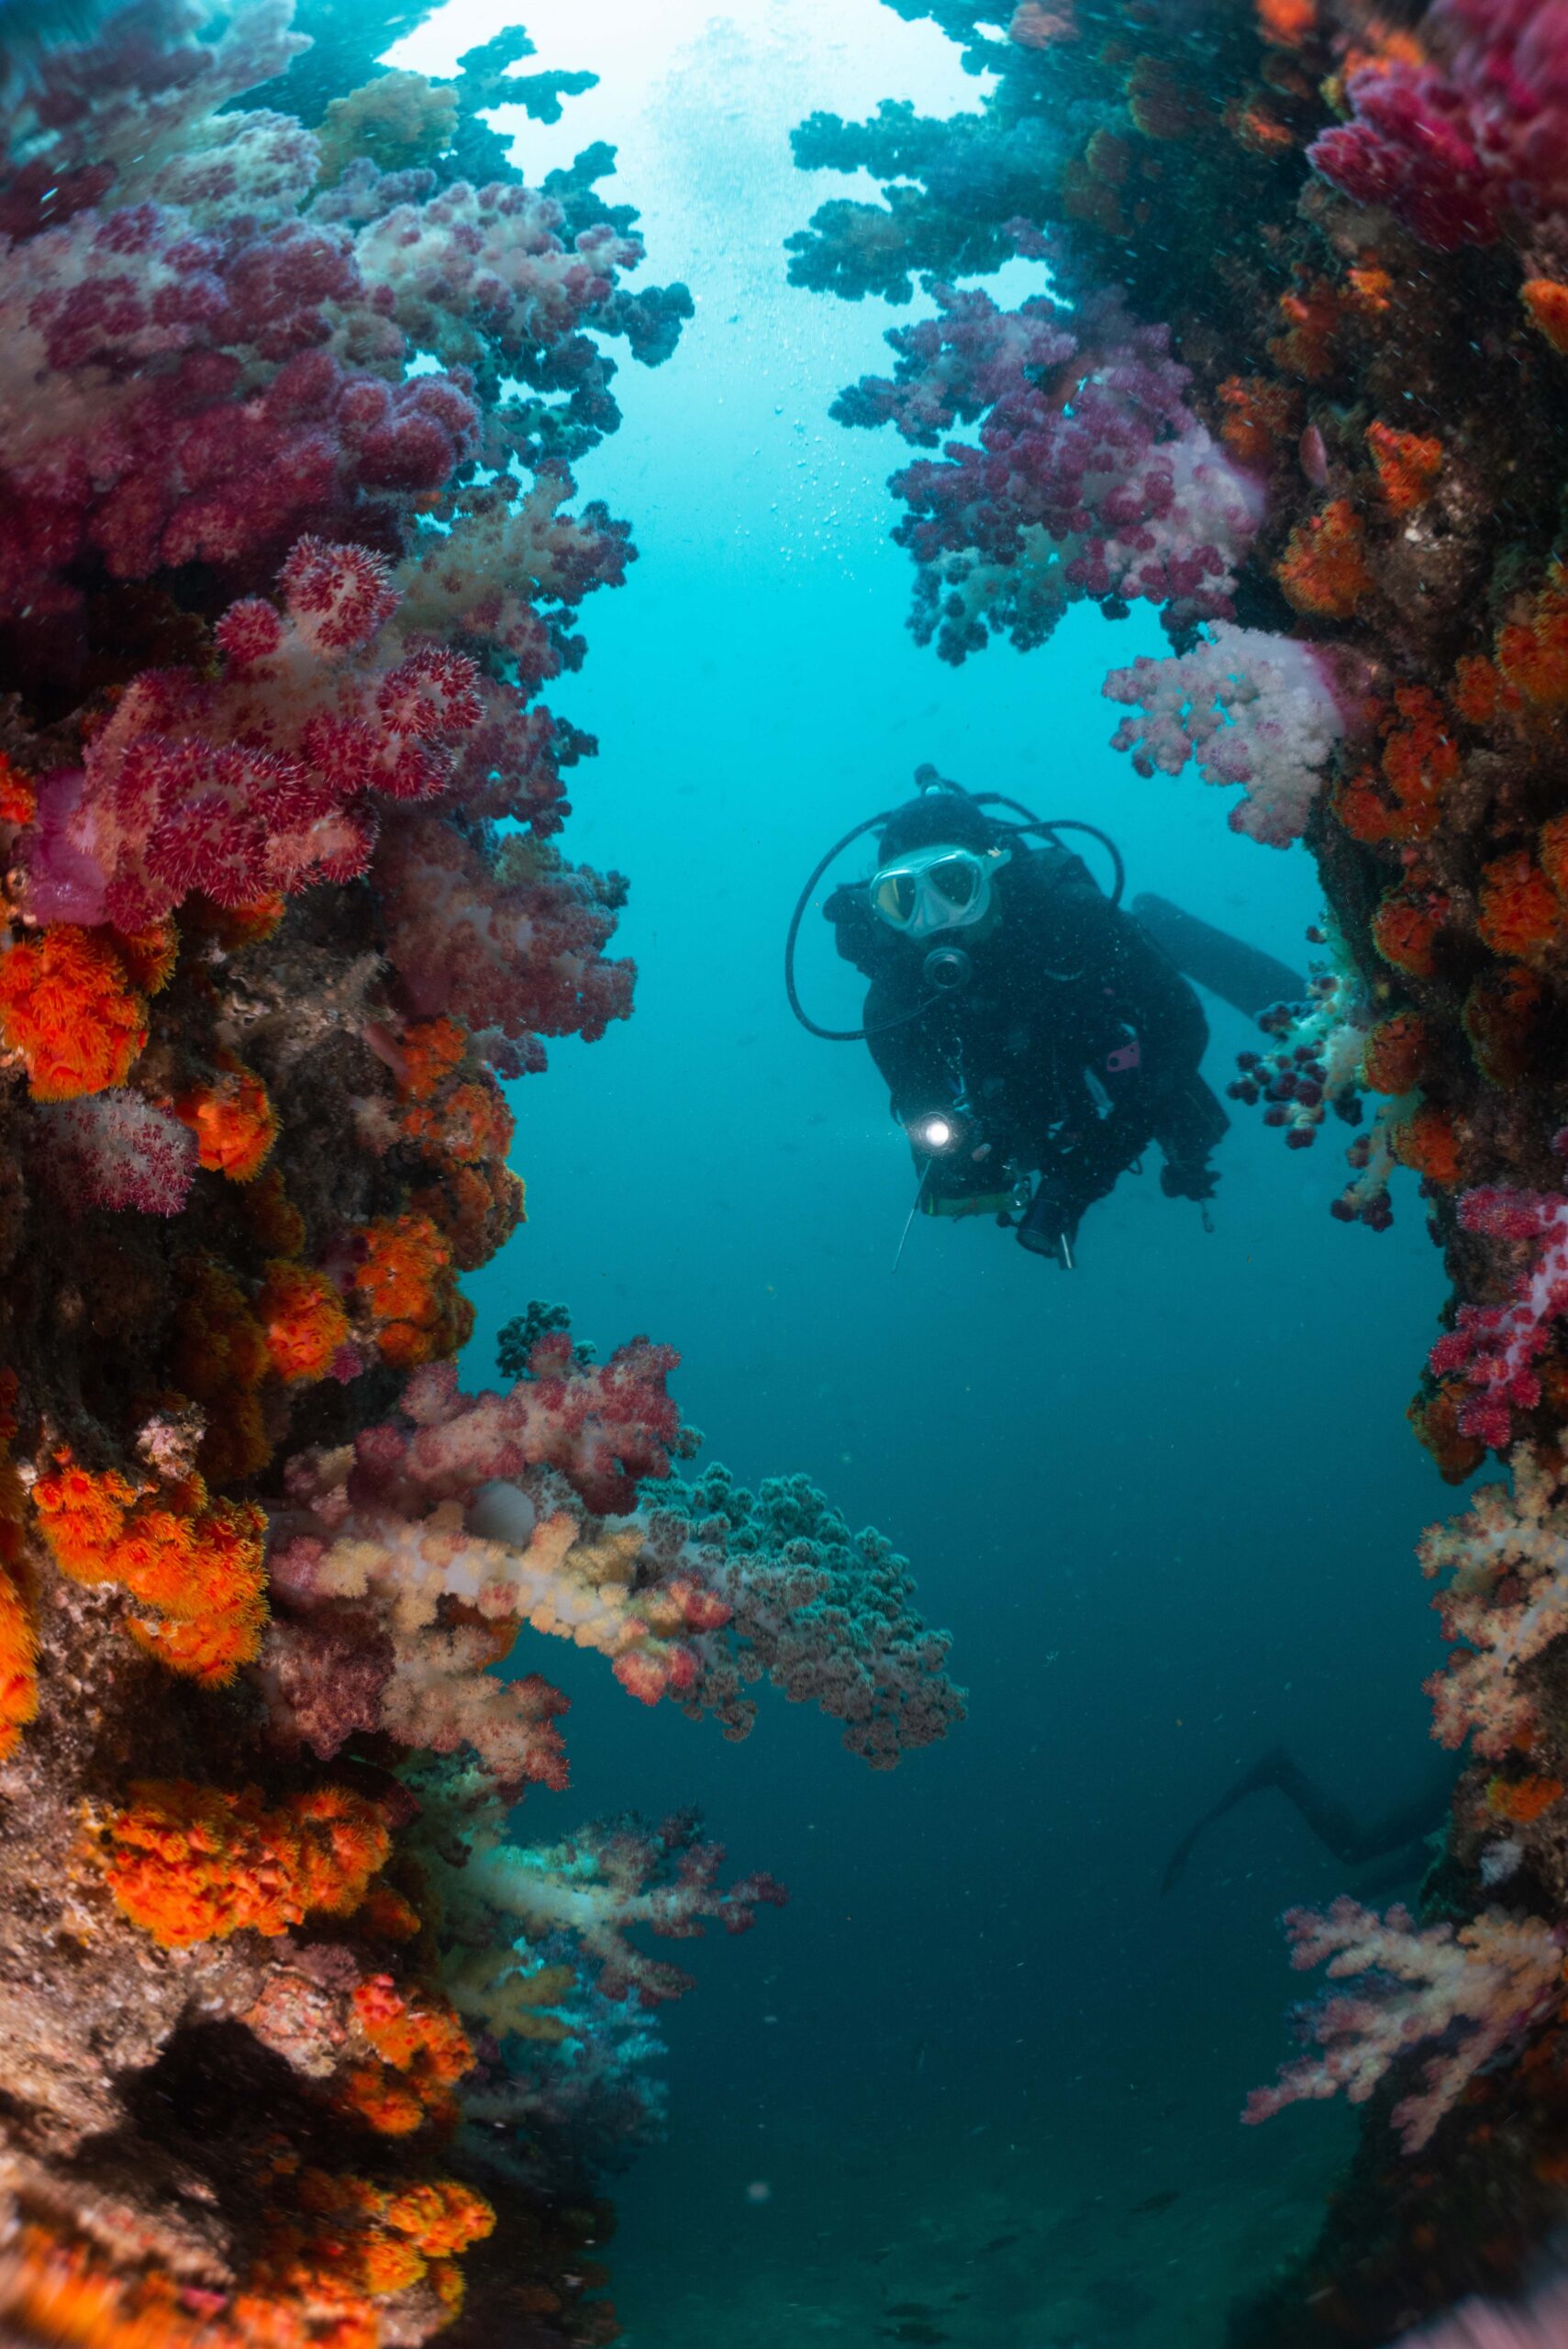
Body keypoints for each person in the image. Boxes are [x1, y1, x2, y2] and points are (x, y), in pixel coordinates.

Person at [821, 773, 1231, 1264]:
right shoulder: (893, 995)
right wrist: (955, 1154)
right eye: (903, 898)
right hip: (1008, 1075)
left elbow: (1181, 1025)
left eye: (954, 885)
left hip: (1082, 1040)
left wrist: (1101, 1161)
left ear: (993, 871)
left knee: (1171, 1097)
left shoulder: (1074, 922)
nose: (933, 920)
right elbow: (919, 1101)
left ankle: (1161, 928)